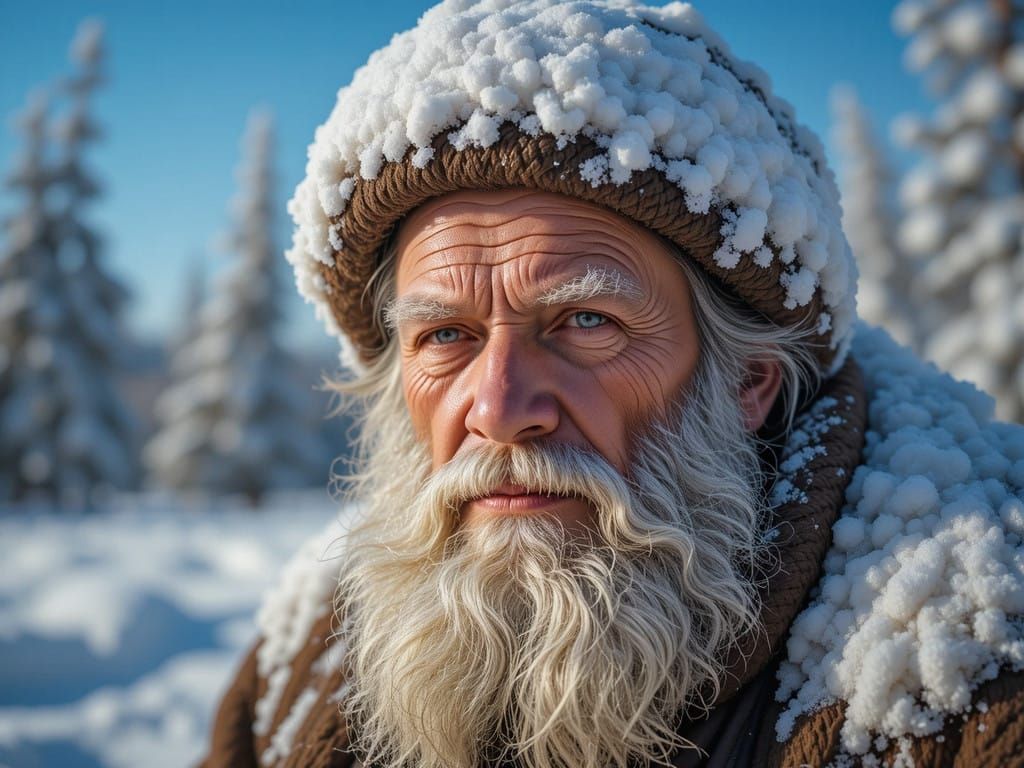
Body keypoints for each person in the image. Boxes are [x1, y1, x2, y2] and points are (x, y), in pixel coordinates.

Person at [201, 2, 1024, 766]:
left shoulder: (967, 674)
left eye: (586, 323)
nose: (498, 408)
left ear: (750, 382)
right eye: (446, 335)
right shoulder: (310, 650)